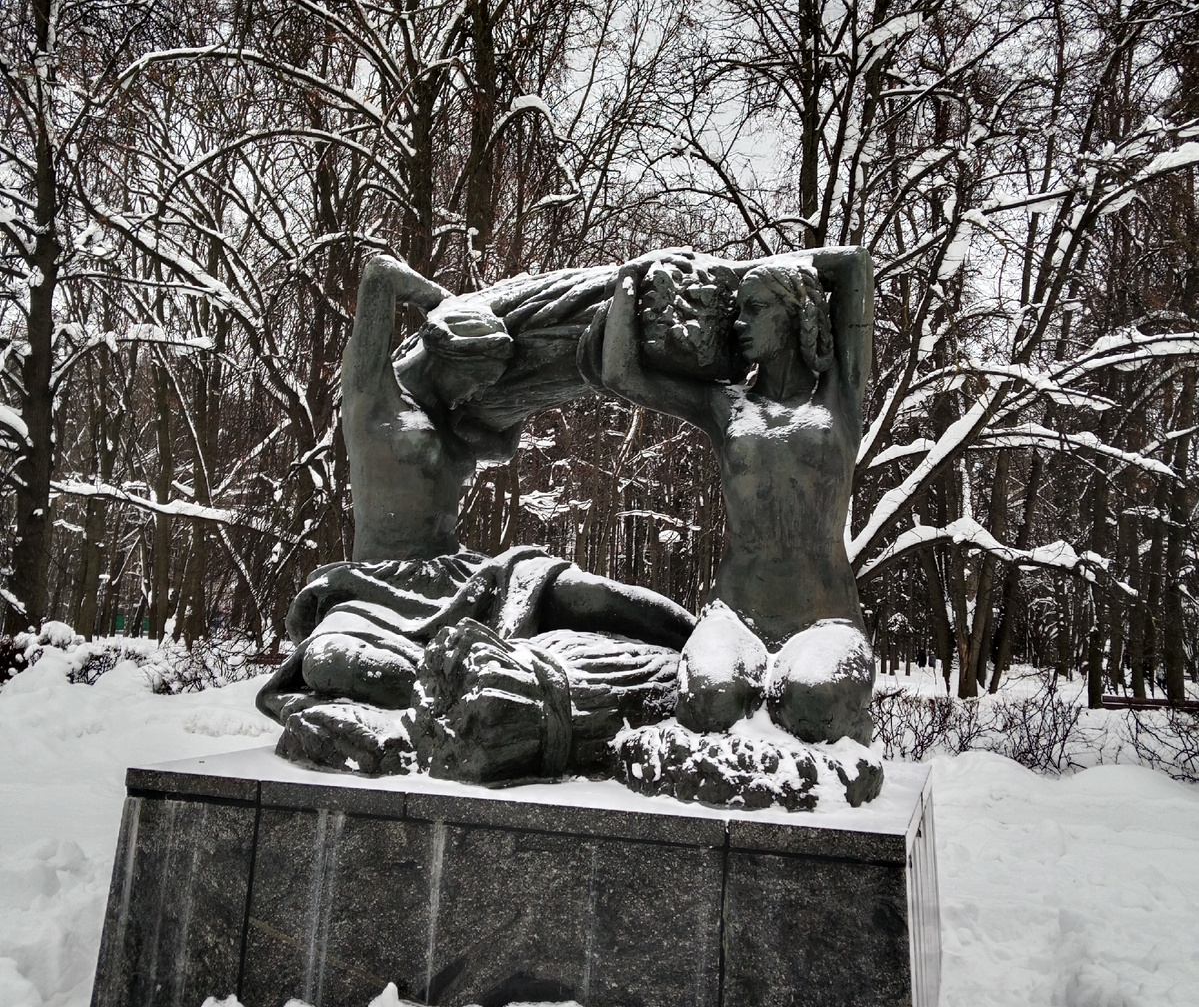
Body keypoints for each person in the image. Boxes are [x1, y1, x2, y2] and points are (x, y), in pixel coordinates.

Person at [257, 253, 695, 731]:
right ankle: (482, 685)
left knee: (585, 594)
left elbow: (503, 447)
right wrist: (447, 304)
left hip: (461, 575)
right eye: (471, 381)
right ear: (443, 355)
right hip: (379, 589)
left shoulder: (457, 422)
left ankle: (701, 645)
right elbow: (380, 273)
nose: (473, 394)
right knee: (328, 662)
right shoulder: (373, 398)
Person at [600, 247, 875, 744]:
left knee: (814, 702)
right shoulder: (725, 406)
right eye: (738, 310)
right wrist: (628, 280)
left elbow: (854, 266)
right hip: (735, 614)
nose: (740, 323)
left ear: (795, 313)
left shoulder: (840, 398)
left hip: (825, 616)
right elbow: (621, 374)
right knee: (709, 699)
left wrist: (747, 271)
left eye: (755, 308)